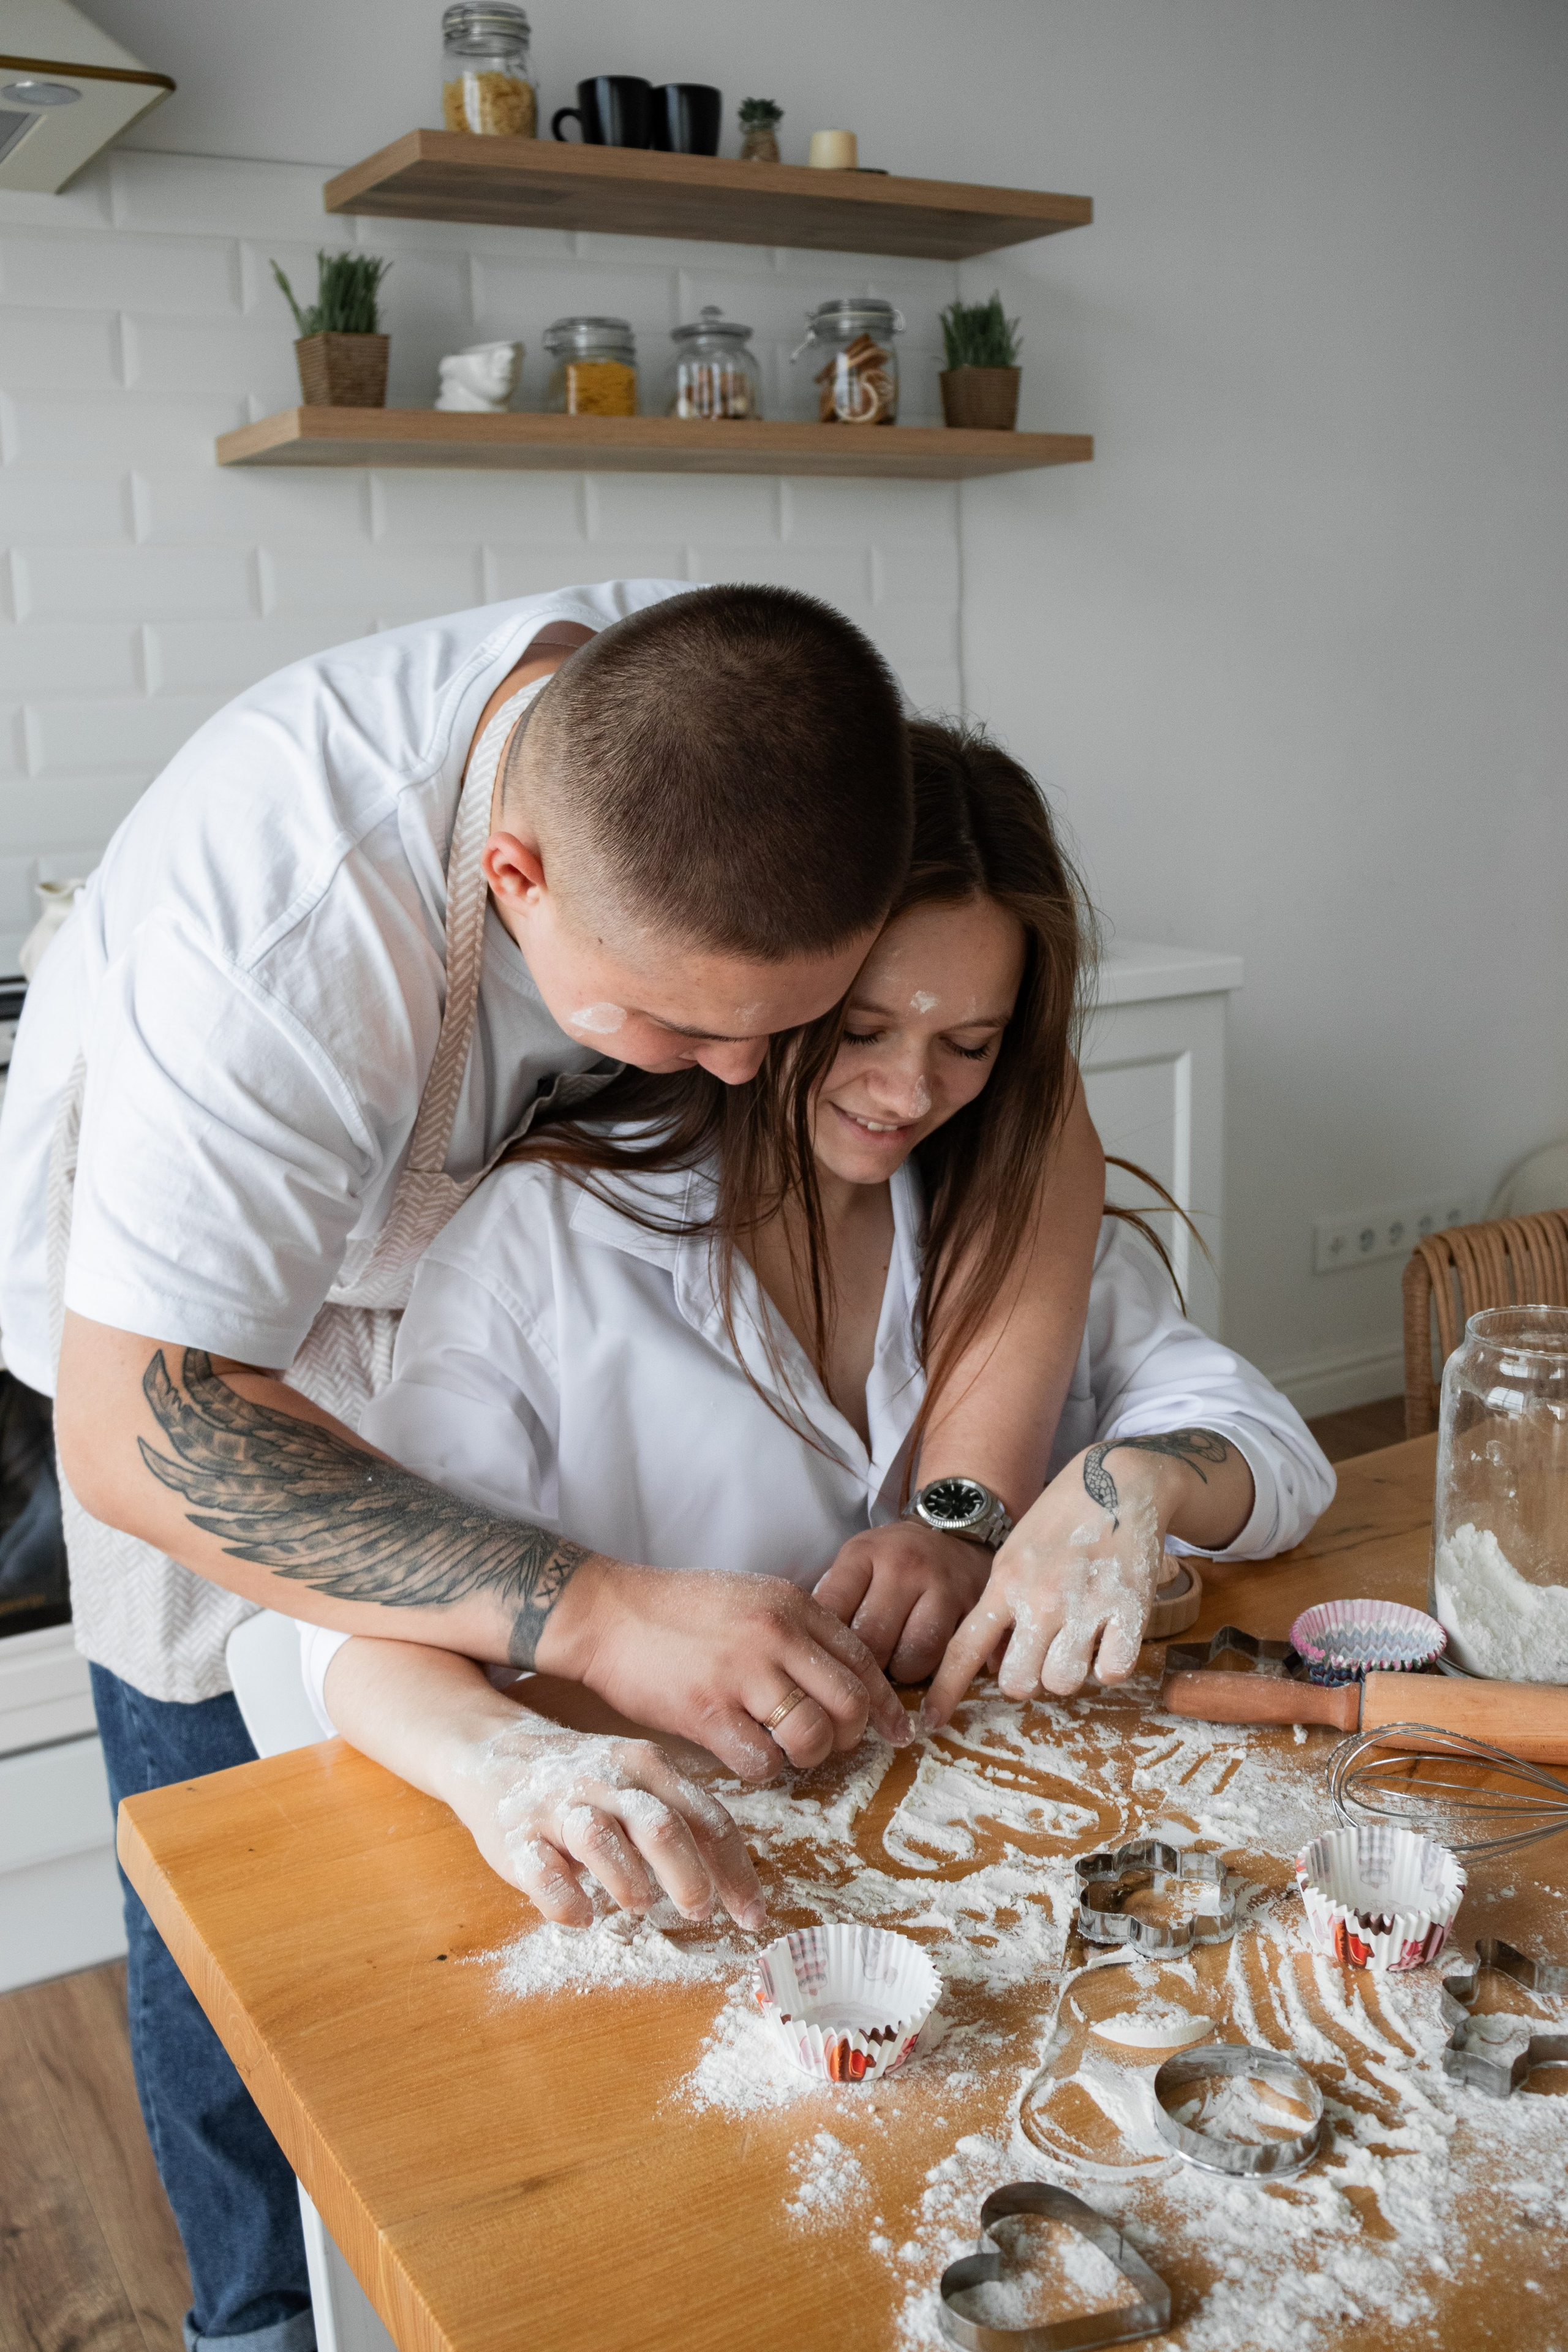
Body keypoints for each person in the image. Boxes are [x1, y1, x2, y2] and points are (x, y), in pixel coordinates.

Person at [0, 586, 1105, 2352]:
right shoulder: (280, 936)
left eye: (791, 1024)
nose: (751, 1076)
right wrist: (586, 1610)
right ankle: (257, 2315)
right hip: (173, 1357)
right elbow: (147, 1423)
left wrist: (950, 1506)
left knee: (485, 1856)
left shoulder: (727, 728)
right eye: (686, 1030)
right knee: (259, 1883)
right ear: (514, 881)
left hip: (426, 1265)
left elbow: (1043, 1123)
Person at [295, 720, 1335, 1929]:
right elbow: (353, 1633)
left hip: (969, 1862)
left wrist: (1133, 1480)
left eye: (967, 1046)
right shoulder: (546, 1242)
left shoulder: (999, 1200)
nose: (907, 1094)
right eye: (862, 1032)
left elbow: (1270, 1453)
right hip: (678, 1886)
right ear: (765, 992)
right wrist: (513, 1767)